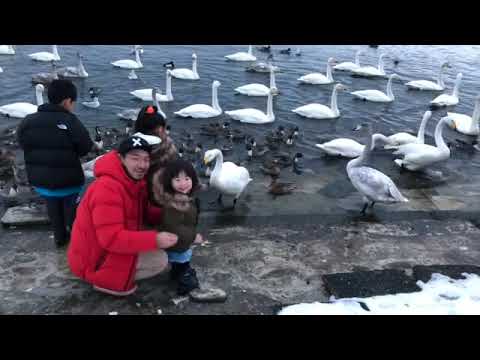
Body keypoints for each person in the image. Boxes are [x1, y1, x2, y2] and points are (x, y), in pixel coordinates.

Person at [67, 135, 178, 296]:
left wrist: (166, 208)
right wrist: (155, 240)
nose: (142, 165)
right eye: (135, 158)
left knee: (164, 241)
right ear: (121, 158)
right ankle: (103, 281)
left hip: (96, 251)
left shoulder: (132, 182)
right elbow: (110, 238)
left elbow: (142, 215)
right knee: (159, 260)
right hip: (93, 261)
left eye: (146, 159)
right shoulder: (107, 189)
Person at [17, 79, 93, 247]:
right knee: (71, 211)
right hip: (69, 181)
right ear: (67, 101)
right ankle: (76, 240)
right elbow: (85, 147)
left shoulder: (28, 121)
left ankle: (59, 238)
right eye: (73, 103)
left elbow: (22, 143)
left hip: (41, 181)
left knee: (52, 206)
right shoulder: (71, 121)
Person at [156, 159, 204, 295]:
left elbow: (190, 222)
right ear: (169, 182)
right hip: (175, 243)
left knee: (181, 261)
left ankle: (177, 273)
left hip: (182, 242)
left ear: (193, 179)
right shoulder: (172, 204)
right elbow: (173, 227)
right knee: (181, 263)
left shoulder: (190, 198)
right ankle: (182, 281)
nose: (183, 184)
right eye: (177, 180)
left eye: (187, 179)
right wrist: (193, 236)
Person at [134, 105, 177, 207]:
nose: (163, 132)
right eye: (159, 130)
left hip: (160, 203)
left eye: (163, 129)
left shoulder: (131, 154)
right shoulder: (168, 147)